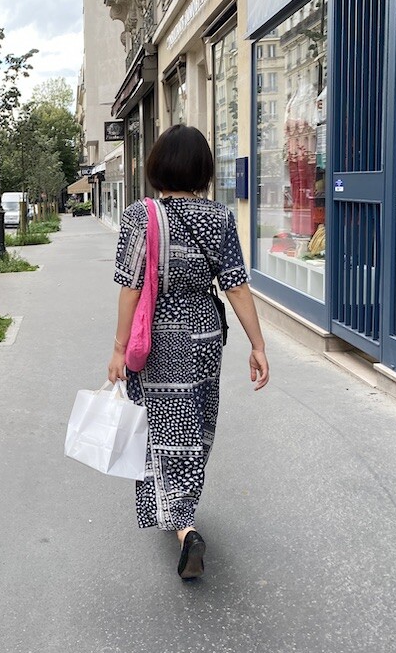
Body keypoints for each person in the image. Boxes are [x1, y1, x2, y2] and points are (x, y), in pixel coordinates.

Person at [107, 124, 270, 581]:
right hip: (203, 333)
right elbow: (236, 286)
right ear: (203, 170)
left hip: (157, 336)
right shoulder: (220, 217)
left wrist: (118, 348)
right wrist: (258, 345)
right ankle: (182, 510)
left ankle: (182, 524)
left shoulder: (140, 216)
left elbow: (130, 287)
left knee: (160, 426)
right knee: (195, 422)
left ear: (157, 167)